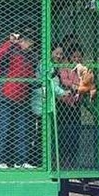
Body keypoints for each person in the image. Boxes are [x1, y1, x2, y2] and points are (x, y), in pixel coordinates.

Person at [0, 32, 37, 168]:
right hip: (6, 95)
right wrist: (10, 42)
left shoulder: (31, 57)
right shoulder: (11, 50)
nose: (29, 45)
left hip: (22, 98)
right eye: (27, 41)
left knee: (22, 130)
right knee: (3, 129)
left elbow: (31, 75)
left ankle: (21, 161)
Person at [29, 47, 70, 167]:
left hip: (46, 102)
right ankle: (38, 160)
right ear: (50, 52)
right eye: (56, 53)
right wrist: (63, 92)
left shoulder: (51, 64)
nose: (59, 56)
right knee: (40, 133)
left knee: (44, 132)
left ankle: (43, 160)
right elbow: (49, 82)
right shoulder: (46, 64)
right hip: (41, 102)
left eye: (61, 54)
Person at [56, 39, 83, 169]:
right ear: (70, 57)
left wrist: (79, 87)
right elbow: (64, 80)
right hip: (64, 104)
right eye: (74, 56)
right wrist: (74, 85)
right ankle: (62, 160)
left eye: (79, 56)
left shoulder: (82, 69)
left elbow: (86, 81)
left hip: (76, 103)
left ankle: (73, 160)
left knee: (75, 133)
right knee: (64, 133)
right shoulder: (65, 67)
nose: (77, 59)